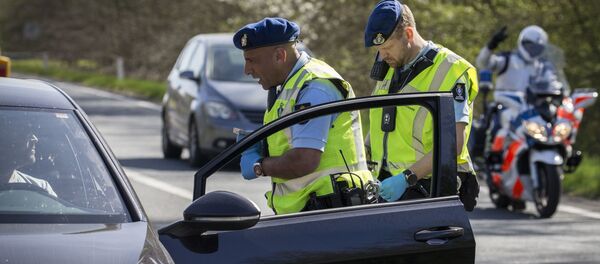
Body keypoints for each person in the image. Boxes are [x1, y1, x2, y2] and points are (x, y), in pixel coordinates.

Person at [233, 17, 373, 215]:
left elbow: (304, 160)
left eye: (251, 61)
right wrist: (262, 146)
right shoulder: (289, 85)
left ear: (280, 55)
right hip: (315, 214)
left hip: (330, 214)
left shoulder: (315, 88)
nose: (247, 70)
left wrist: (260, 166)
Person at [363, 0, 479, 210]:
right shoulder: (390, 68)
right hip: (388, 188)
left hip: (428, 190)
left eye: (387, 47)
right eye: (379, 50)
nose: (382, 55)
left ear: (408, 34)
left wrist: (406, 178)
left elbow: (454, 144)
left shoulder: (451, 70)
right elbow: (381, 123)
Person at [476, 25, 553, 173]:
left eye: (537, 47)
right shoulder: (507, 59)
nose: (533, 50)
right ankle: (483, 158)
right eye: (530, 46)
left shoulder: (542, 67)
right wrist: (491, 46)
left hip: (531, 108)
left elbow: (553, 83)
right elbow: (484, 63)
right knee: (490, 125)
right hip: (505, 104)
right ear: (522, 43)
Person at [0, 117, 57, 197]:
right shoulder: (40, 191)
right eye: (26, 134)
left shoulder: (42, 189)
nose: (35, 139)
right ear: (5, 140)